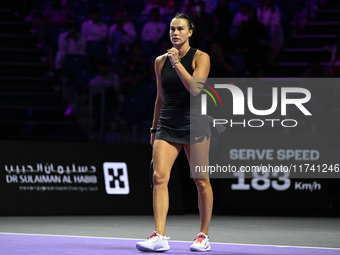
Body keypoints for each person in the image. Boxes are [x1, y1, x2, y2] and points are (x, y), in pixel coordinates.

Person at [136, 12, 224, 252]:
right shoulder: (160, 61)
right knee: (158, 177)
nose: (175, 33)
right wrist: (154, 129)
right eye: (172, 29)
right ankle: (159, 236)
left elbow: (196, 89)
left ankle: (203, 236)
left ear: (190, 33)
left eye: (180, 29)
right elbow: (160, 98)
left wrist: (176, 63)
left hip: (196, 123)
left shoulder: (201, 57)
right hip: (167, 123)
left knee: (201, 181)